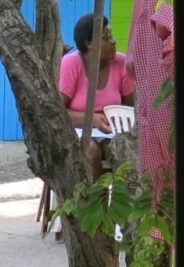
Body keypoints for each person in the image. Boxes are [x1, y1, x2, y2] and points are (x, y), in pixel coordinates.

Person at [58, 12, 135, 179]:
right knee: (91, 153)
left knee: (119, 151)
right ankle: (96, 204)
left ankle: (120, 203)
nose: (114, 41)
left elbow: (131, 106)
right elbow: (58, 112)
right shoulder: (71, 63)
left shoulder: (121, 62)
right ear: (89, 44)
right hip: (76, 131)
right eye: (107, 38)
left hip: (110, 132)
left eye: (112, 36)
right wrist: (91, 119)